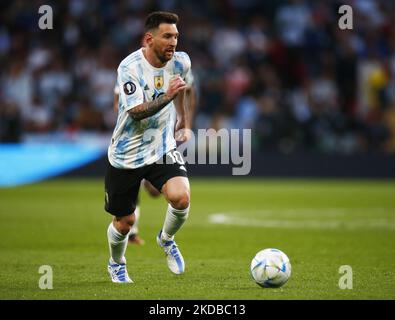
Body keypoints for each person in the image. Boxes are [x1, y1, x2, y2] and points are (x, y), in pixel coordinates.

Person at [105, 11, 193, 283]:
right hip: (126, 153)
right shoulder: (129, 67)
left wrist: (183, 120)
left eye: (176, 36)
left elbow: (182, 89)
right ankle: (116, 263)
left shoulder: (181, 62)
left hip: (161, 146)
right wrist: (167, 96)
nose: (174, 42)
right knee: (125, 223)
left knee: (181, 197)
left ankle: (166, 239)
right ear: (149, 39)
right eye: (167, 36)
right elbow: (136, 112)